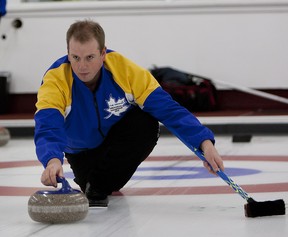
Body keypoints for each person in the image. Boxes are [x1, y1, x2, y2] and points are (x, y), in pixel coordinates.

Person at [34, 20, 224, 207]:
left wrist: (204, 143)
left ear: (103, 53)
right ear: (68, 53)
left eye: (90, 57)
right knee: (91, 184)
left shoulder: (124, 70)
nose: (82, 66)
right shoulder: (56, 79)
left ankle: (100, 183)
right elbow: (48, 123)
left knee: (145, 122)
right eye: (75, 57)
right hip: (81, 151)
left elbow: (168, 109)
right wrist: (52, 160)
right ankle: (97, 181)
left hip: (116, 142)